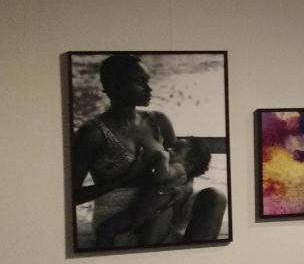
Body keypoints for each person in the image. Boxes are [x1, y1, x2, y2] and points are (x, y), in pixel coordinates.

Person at [70, 54, 227, 249]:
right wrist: (123, 179)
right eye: (139, 82)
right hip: (119, 216)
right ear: (115, 86)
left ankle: (194, 258)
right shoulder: (93, 133)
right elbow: (72, 196)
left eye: (147, 81)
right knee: (158, 218)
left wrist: (174, 193)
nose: (149, 88)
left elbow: (185, 164)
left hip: (165, 200)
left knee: (214, 197)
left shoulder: (158, 121)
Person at [94, 137, 212, 247]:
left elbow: (161, 177)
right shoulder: (179, 175)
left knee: (106, 230)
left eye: (176, 150)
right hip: (138, 213)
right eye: (172, 147)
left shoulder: (179, 169)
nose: (169, 149)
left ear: (188, 165)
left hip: (145, 216)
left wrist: (163, 157)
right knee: (105, 230)